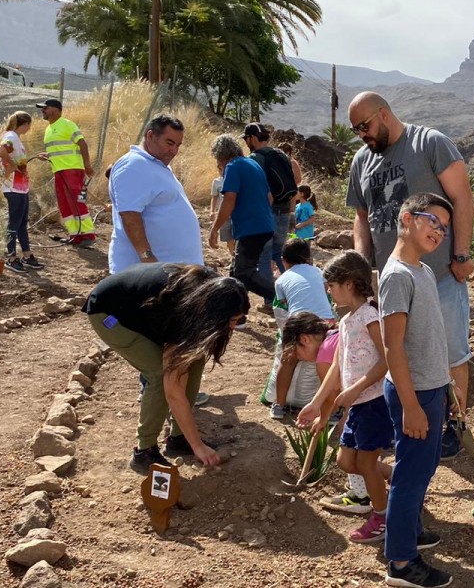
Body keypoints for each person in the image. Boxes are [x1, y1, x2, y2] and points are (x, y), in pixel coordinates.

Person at [347, 91, 474, 462]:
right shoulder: (361, 161)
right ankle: (407, 422)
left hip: (439, 275)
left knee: (451, 352)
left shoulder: (429, 143)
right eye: (356, 130)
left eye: (364, 126)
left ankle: (452, 428)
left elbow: (462, 197)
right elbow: (362, 217)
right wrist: (361, 263)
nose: (361, 135)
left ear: (384, 114)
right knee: (398, 351)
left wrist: (461, 254)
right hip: (394, 281)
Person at [82, 263, 249, 474]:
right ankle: (144, 451)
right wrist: (198, 445)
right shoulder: (184, 312)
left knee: (195, 360)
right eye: (231, 320)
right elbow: (174, 391)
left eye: (238, 319)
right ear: (216, 312)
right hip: (110, 313)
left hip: (142, 309)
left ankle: (179, 438)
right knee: (159, 375)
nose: (233, 326)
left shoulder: (216, 292)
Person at [377, 193, 454, 587]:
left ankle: (410, 530)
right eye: (433, 221)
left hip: (431, 387)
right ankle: (402, 562)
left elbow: (430, 336)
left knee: (423, 467)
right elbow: (393, 346)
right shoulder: (396, 276)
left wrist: (447, 383)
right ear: (407, 219)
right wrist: (410, 405)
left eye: (444, 228)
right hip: (415, 393)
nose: (439, 232)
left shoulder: (421, 270)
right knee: (409, 474)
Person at [297, 250, 393, 543]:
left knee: (365, 464)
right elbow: (337, 367)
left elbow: (387, 360)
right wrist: (316, 403)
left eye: (332, 285)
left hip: (374, 402)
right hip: (358, 405)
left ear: (349, 284)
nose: (329, 291)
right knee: (345, 461)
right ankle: (398, 480)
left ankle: (382, 517)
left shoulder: (370, 316)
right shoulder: (345, 321)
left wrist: (355, 389)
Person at [106, 114, 202, 274]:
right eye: (169, 143)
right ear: (150, 136)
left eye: (178, 145)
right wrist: (148, 260)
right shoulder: (133, 165)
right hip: (147, 274)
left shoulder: (156, 165)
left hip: (171, 273)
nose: (174, 151)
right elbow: (130, 216)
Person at [265, 237, 335, 418]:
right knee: (326, 363)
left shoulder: (281, 280)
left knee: (288, 359)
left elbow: (283, 306)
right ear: (309, 258)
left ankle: (279, 405)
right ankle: (331, 409)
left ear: (283, 260)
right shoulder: (319, 272)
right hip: (326, 324)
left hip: (300, 323)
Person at [209, 134, 276, 313]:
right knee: (235, 272)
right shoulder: (252, 164)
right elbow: (269, 197)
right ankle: (236, 314)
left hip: (251, 228)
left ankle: (283, 297)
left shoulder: (233, 166)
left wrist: (214, 229)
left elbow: (229, 200)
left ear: (221, 155)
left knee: (243, 272)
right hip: (264, 224)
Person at [35, 98, 95, 247]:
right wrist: (47, 155)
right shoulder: (49, 129)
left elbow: (82, 143)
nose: (43, 111)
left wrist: (87, 165)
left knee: (76, 201)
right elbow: (60, 150)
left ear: (57, 110)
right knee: (64, 204)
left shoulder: (67, 124)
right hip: (59, 171)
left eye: (46, 108)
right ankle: (75, 235)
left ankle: (88, 235)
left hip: (72, 170)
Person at [244, 123, 300, 278]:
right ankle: (288, 286)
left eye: (246, 139)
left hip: (267, 213)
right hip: (285, 211)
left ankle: (268, 292)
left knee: (264, 255)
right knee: (278, 254)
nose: (246, 142)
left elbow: (252, 189)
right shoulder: (281, 155)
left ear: (253, 138)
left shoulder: (254, 159)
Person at [0, 111, 43, 273]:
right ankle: (11, 257)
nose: (29, 128)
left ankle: (27, 255)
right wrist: (12, 165)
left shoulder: (15, 138)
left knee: (22, 223)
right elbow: (1, 151)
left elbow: (15, 157)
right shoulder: (11, 137)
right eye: (29, 125)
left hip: (20, 186)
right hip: (12, 187)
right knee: (14, 223)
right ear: (24, 124)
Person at [210, 168, 234, 257]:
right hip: (223, 214)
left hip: (234, 213)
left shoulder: (234, 180)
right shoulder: (216, 182)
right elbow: (214, 197)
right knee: (228, 237)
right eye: (219, 169)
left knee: (237, 236)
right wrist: (212, 211)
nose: (221, 171)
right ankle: (233, 258)